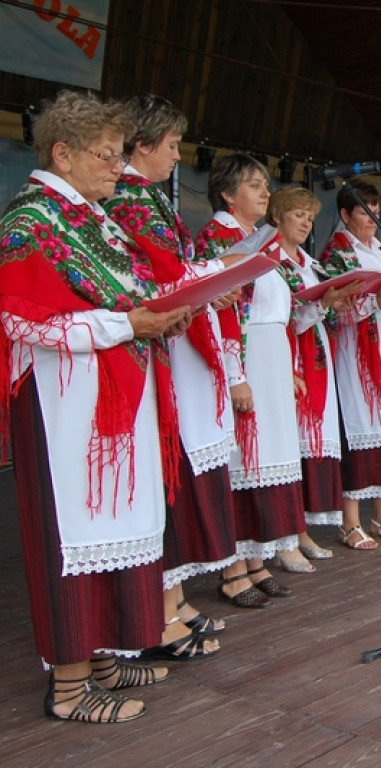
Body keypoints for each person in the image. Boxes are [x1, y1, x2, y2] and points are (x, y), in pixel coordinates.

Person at [0, 90, 191, 723]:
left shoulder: (90, 215)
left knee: (115, 528)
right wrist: (125, 325)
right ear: (63, 152)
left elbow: (129, 291)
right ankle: (69, 687)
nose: (118, 166)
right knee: (73, 535)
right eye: (107, 155)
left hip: (112, 394)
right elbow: (24, 321)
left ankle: (103, 654)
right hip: (64, 405)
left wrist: (159, 313)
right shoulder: (30, 219)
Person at [105, 93, 226, 659]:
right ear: (143, 145)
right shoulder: (128, 201)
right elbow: (163, 274)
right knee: (156, 473)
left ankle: (172, 597)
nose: (178, 156)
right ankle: (160, 602)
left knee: (165, 474)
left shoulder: (144, 197)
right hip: (145, 344)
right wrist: (219, 269)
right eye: (173, 145)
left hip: (161, 343)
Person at [195, 153, 300, 605]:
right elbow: (224, 313)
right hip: (246, 357)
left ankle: (256, 559)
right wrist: (235, 374)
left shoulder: (258, 239)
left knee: (264, 461)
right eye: (254, 185)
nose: (264, 192)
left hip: (271, 356)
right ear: (226, 193)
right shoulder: (217, 239)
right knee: (242, 460)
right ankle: (233, 568)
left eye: (264, 184)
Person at [265, 186, 363, 567]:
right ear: (277, 217)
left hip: (316, 354)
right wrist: (322, 304)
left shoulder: (307, 262)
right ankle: (287, 534)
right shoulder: (271, 260)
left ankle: (301, 528)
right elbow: (284, 319)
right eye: (297, 214)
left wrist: (334, 302)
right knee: (289, 447)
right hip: (289, 356)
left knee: (310, 443)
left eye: (309, 216)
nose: (306, 222)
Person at [319, 179, 381, 550]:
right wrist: (378, 301)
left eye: (376, 211)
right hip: (357, 351)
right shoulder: (336, 254)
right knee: (363, 424)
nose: (373, 218)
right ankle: (350, 521)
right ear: (345, 214)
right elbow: (333, 312)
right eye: (364, 211)